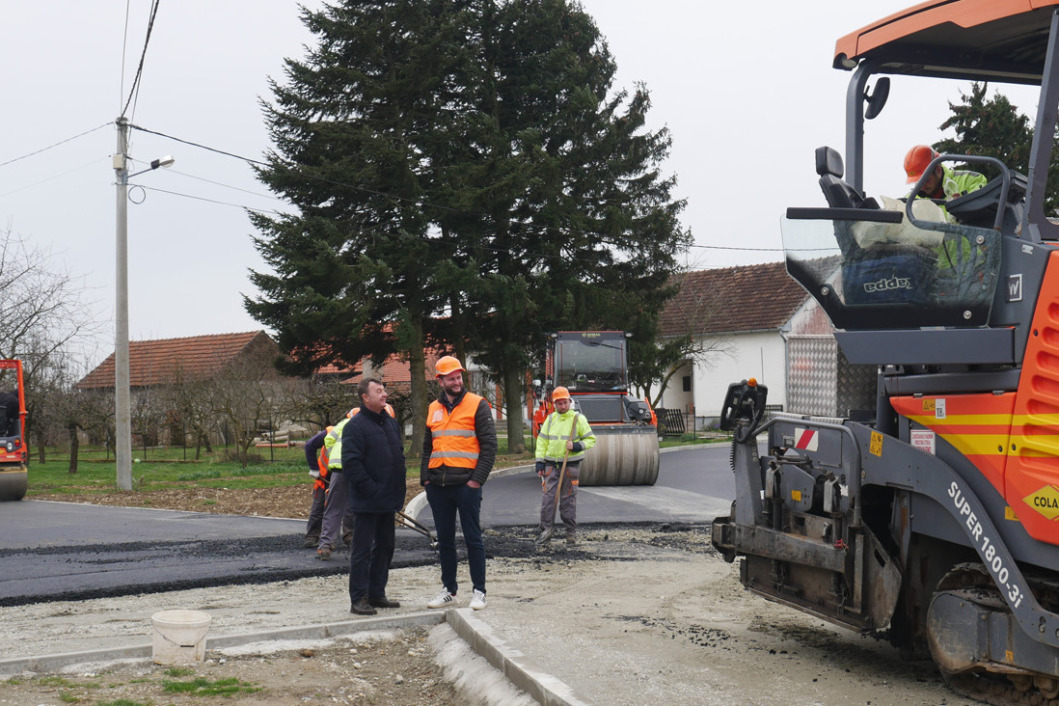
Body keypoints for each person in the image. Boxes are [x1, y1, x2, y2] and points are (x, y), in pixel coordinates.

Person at [421, 356, 497, 611]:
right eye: (451, 378)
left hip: (466, 485)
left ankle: (479, 591)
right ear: (440, 380)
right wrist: (425, 479)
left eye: (459, 376)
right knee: (445, 541)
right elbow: (427, 446)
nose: (456, 381)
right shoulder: (433, 408)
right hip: (438, 486)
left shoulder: (477, 404)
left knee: (473, 538)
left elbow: (490, 447)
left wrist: (476, 482)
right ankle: (449, 590)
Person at [343, 377, 406, 616]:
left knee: (385, 548)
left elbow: (397, 456)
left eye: (384, 390)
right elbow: (352, 465)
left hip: (387, 501)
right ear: (365, 398)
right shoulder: (355, 427)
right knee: (362, 551)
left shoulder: (389, 423)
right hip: (368, 502)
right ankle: (359, 598)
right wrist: (371, 490)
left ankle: (377, 593)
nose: (384, 394)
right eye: (378, 391)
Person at [534, 386, 595, 545]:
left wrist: (576, 446)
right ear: (555, 404)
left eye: (565, 402)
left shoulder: (578, 419)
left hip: (570, 466)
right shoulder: (551, 419)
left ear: (570, 401)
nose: (563, 406)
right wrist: (540, 462)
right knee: (548, 499)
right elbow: (542, 441)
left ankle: (570, 533)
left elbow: (591, 440)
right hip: (551, 465)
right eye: (559, 403)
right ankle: (545, 530)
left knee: (568, 500)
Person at [904, 144, 987, 201]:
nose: (922, 187)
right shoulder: (910, 201)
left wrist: (962, 204)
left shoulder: (971, 180)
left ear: (938, 170)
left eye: (925, 180)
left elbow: (980, 206)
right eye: (918, 182)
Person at [302, 427, 330, 548]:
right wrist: (314, 469)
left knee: (350, 509)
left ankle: (350, 536)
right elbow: (309, 446)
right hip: (324, 477)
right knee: (318, 507)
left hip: (346, 477)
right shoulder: (331, 432)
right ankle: (312, 536)